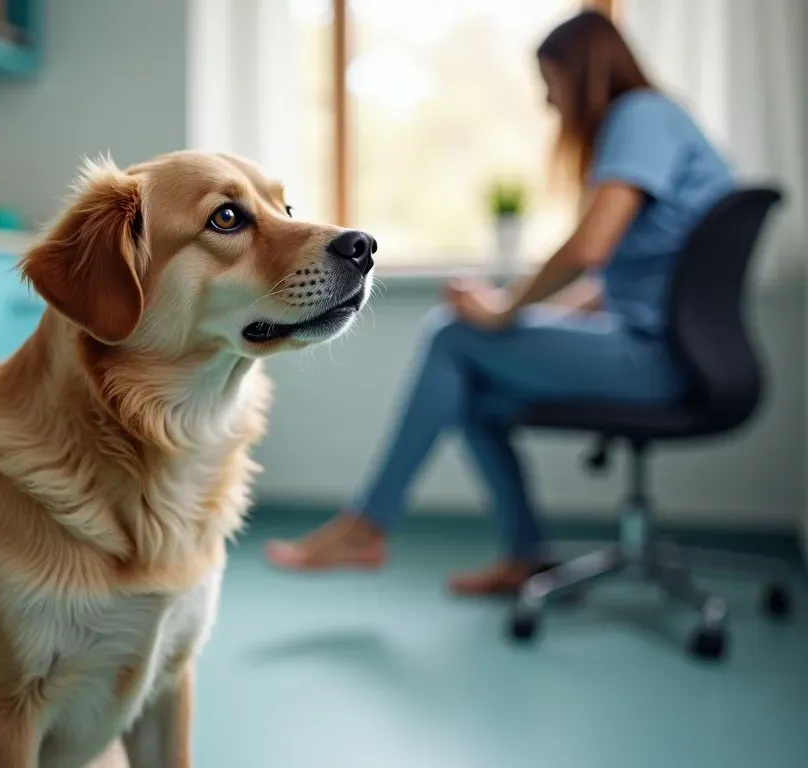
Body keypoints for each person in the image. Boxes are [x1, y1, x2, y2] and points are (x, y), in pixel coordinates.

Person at [263, 9, 735, 594]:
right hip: (673, 351)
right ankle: (524, 556)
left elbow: (589, 246)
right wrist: (528, 317)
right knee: (475, 391)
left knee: (453, 335)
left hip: (660, 361)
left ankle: (368, 524)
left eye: (551, 84)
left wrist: (505, 311)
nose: (549, 103)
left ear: (584, 74)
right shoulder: (663, 121)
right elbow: (623, 283)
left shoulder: (638, 116)